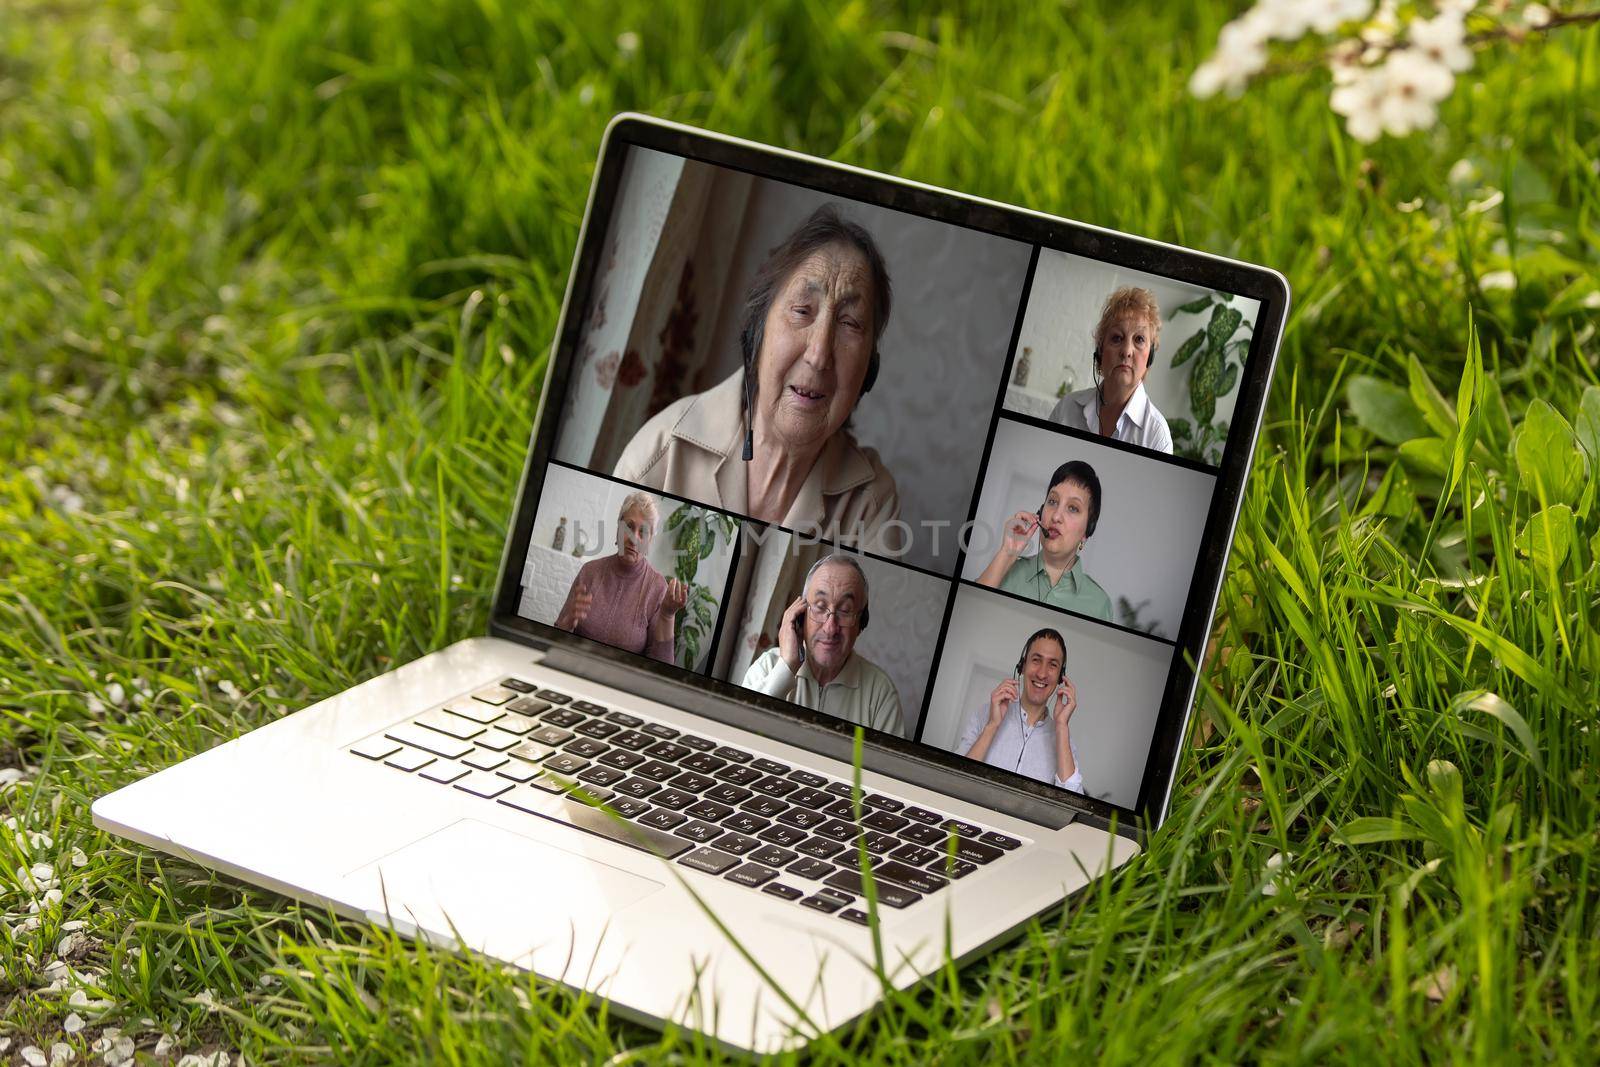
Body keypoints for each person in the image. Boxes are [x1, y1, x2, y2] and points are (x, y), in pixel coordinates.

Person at [615, 205, 902, 553]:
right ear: (757, 334)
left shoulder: (871, 506)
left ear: (868, 371)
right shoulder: (662, 454)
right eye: (801, 311)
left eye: (850, 323)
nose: (819, 354)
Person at [741, 554, 905, 735]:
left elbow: (882, 763)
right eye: (820, 606)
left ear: (861, 623)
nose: (830, 628)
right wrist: (786, 667)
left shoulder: (881, 693)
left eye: (845, 611)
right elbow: (740, 735)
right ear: (801, 615)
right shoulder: (768, 666)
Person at [554, 491, 687, 665]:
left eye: (643, 532)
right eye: (629, 527)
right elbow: (556, 639)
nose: (634, 538)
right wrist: (566, 624)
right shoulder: (589, 572)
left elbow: (660, 668)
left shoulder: (658, 587)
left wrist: (667, 616)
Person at [975, 460, 1112, 620]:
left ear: (1087, 530)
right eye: (1052, 501)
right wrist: (1007, 553)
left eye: (1073, 508)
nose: (1056, 516)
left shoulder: (1099, 604)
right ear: (1040, 511)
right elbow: (970, 614)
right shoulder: (1005, 570)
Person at [1047, 286, 1173, 454]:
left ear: (1150, 357)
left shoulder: (1157, 436)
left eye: (1139, 339)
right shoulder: (1066, 409)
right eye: (1117, 338)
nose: (1127, 351)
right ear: (1100, 351)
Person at [954, 628, 1082, 793]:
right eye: (1036, 660)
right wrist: (992, 726)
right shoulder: (984, 714)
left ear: (1060, 677)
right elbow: (955, 779)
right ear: (1022, 666)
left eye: (1052, 665)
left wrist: (1062, 727)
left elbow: (1074, 802)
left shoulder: (1064, 741)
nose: (1042, 674)